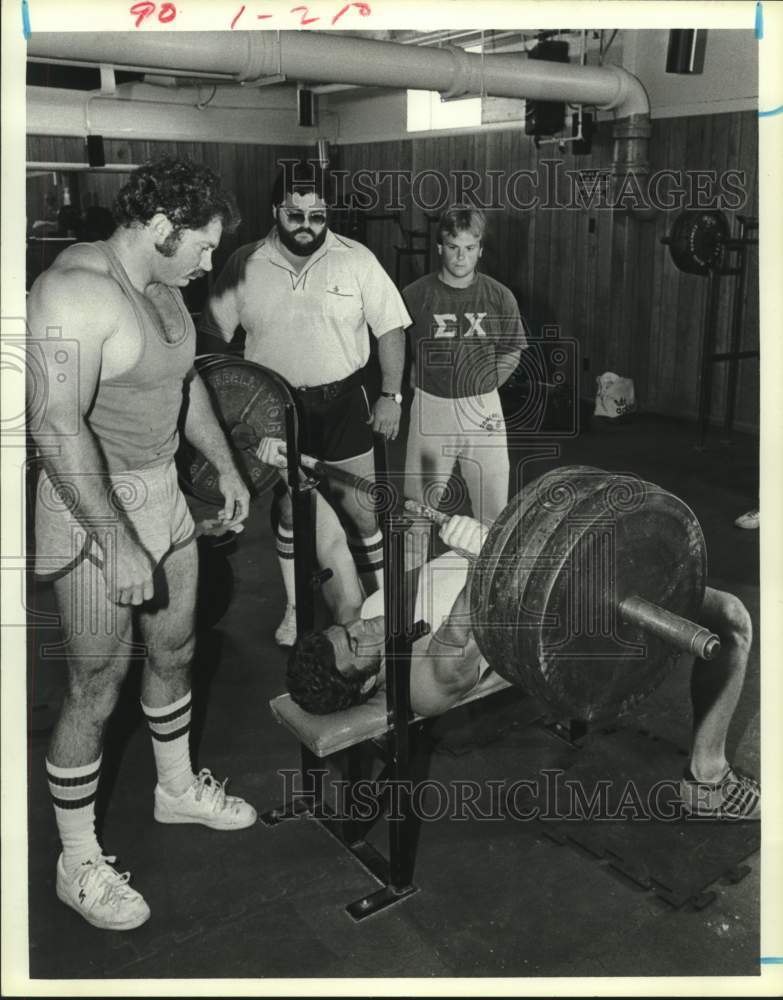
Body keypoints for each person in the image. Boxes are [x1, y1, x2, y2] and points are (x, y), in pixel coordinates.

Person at [27, 156, 257, 932]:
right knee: (97, 682)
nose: (209, 262)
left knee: (175, 650)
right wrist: (114, 539)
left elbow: (182, 384)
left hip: (161, 490)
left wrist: (223, 464)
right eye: (203, 245)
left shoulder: (168, 289)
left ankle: (175, 789)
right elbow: (54, 425)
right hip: (90, 497)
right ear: (161, 228)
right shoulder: (72, 292)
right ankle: (75, 857)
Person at [285, 497, 761, 822]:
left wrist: (294, 473)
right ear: (367, 685)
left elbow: (330, 547)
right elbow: (463, 623)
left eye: (346, 628)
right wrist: (485, 551)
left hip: (547, 560)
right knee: (731, 620)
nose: (360, 627)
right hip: (570, 607)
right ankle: (708, 780)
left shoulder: (367, 620)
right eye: (354, 642)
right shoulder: (423, 684)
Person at [199, 160, 411, 646]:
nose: (307, 227)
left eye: (318, 216)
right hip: (274, 409)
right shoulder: (244, 264)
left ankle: (378, 607)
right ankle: (297, 609)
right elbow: (213, 336)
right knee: (294, 512)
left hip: (344, 402)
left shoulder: (356, 259)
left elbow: (391, 328)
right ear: (277, 210)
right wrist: (229, 410)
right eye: (295, 215)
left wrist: (391, 394)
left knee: (360, 508)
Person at [402, 205, 526, 566]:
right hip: (432, 409)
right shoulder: (414, 295)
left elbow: (512, 351)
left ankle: (481, 597)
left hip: (483, 411)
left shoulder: (499, 295)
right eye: (453, 246)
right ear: (439, 247)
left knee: (493, 514)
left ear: (481, 250)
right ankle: (409, 602)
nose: (461, 256)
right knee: (417, 512)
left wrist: (484, 387)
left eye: (470, 248)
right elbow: (395, 347)